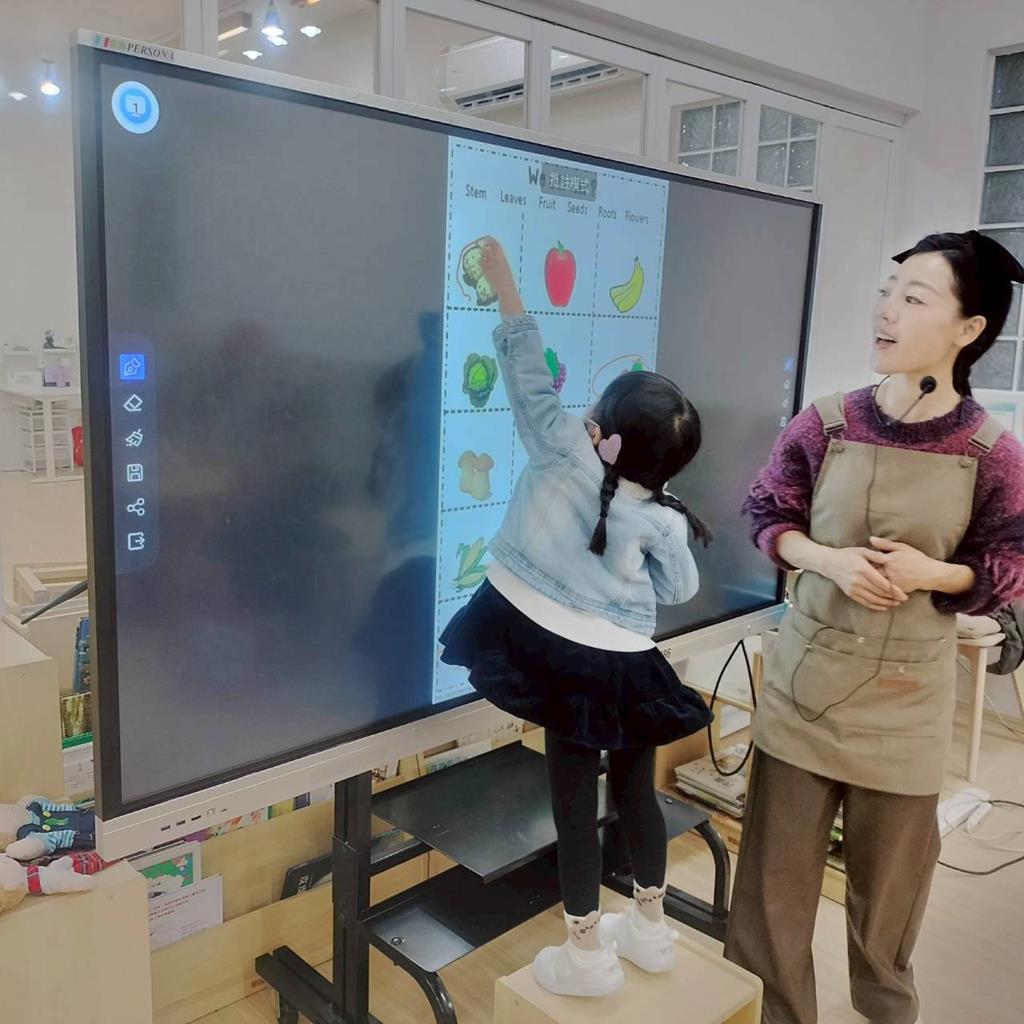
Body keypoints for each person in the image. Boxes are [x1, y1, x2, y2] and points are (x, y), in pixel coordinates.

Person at [725, 230, 1024, 1024]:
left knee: (888, 914)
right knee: (769, 906)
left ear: (968, 330)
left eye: (914, 298)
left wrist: (935, 574)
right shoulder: (826, 423)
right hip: (804, 697)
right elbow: (766, 513)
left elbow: (1012, 564)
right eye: (888, 292)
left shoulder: (993, 452)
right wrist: (824, 559)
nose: (886, 311)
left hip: (906, 709)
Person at [439, 237, 712, 997]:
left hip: (553, 654)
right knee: (635, 793)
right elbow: (680, 588)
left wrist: (504, 282)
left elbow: (527, 375)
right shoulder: (661, 513)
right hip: (625, 666)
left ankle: (586, 954)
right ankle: (650, 931)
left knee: (571, 805)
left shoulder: (564, 447)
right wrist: (658, 521)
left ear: (603, 430)